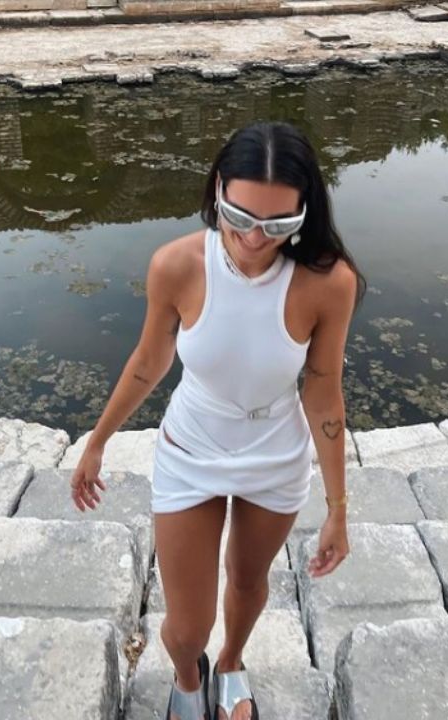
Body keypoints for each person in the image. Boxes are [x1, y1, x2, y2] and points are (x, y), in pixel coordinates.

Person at [70, 121, 366, 720]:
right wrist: (97, 441)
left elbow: (323, 393)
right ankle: (189, 673)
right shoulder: (177, 265)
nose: (255, 239)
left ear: (305, 212)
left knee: (249, 581)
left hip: (275, 453)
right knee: (185, 626)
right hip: (192, 446)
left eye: (278, 224)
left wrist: (338, 508)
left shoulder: (329, 282)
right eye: (239, 216)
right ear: (217, 191)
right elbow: (149, 362)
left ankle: (231, 662)